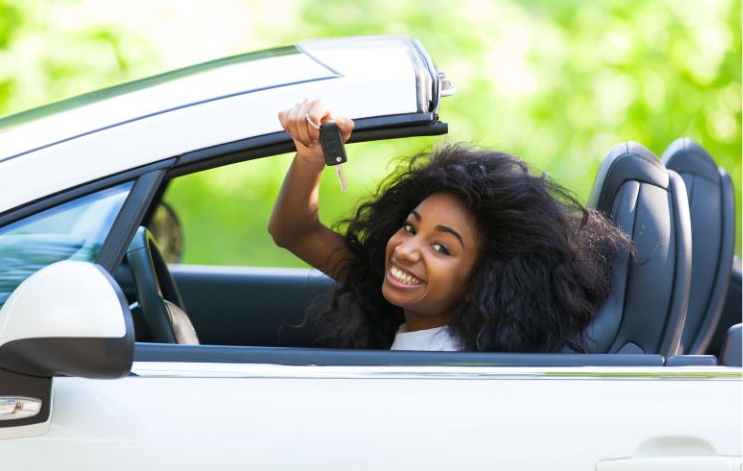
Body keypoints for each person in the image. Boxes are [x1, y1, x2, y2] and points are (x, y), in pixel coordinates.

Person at [268, 98, 630, 352]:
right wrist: (311, 158)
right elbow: (293, 231)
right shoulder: (405, 303)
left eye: (441, 248)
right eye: (411, 228)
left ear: (482, 282)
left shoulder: (444, 369)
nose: (407, 249)